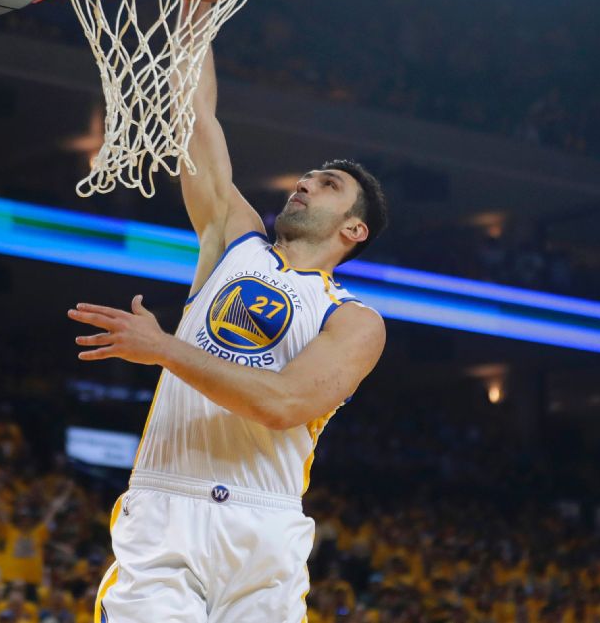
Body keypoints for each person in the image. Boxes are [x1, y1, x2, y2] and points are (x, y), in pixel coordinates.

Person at [68, 32, 388, 622]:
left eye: (327, 185)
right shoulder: (234, 238)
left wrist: (165, 349)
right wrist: (196, 10)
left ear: (354, 230)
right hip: (168, 503)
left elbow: (283, 403)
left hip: (262, 526)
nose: (305, 183)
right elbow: (197, 116)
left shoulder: (355, 320)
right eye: (308, 176)